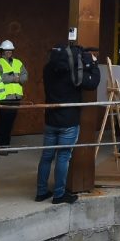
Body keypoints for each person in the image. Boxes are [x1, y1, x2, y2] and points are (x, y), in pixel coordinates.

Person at [37, 43, 100, 204]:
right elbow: (92, 83)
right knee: (63, 157)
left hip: (50, 119)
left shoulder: (47, 69)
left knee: (46, 157)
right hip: (69, 121)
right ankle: (59, 195)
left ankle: (41, 192)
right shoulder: (74, 72)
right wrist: (92, 63)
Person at [0, 40, 28, 154]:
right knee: (4, 121)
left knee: (10, 121)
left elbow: (25, 75)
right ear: (2, 51)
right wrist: (15, 78)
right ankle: (2, 145)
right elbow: (0, 77)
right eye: (6, 50)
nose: (9, 52)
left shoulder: (18, 62)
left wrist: (17, 78)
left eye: (10, 50)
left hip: (16, 97)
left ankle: (6, 145)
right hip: (5, 96)